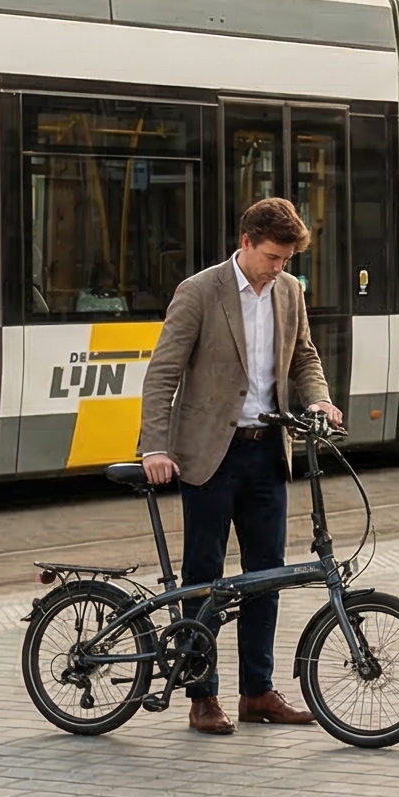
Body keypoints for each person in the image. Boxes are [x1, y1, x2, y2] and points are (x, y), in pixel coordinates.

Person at [138, 196, 341, 735]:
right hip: (209, 454)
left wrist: (317, 398)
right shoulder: (200, 291)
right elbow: (163, 373)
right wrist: (154, 447)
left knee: (264, 577)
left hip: (267, 451)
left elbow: (304, 355)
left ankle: (258, 691)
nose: (280, 267)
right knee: (203, 577)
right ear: (247, 242)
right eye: (273, 257)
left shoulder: (289, 291)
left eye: (287, 259)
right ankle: (201, 695)